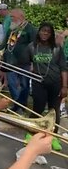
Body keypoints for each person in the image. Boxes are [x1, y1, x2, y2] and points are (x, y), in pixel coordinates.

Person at [28, 22, 67, 151]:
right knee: (37, 108)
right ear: (39, 31)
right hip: (38, 83)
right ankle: (30, 134)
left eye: (48, 32)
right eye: (43, 30)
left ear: (51, 34)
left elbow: (63, 68)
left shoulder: (56, 48)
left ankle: (53, 137)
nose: (45, 33)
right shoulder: (32, 47)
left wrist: (65, 86)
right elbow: (26, 63)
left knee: (54, 111)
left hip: (56, 83)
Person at [0, 8, 36, 113]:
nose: (11, 19)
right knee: (11, 84)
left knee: (24, 85)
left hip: (24, 63)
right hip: (10, 62)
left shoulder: (30, 29)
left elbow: (34, 46)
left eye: (13, 17)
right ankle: (17, 104)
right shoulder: (12, 29)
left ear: (21, 17)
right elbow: (4, 44)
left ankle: (21, 106)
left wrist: (33, 62)